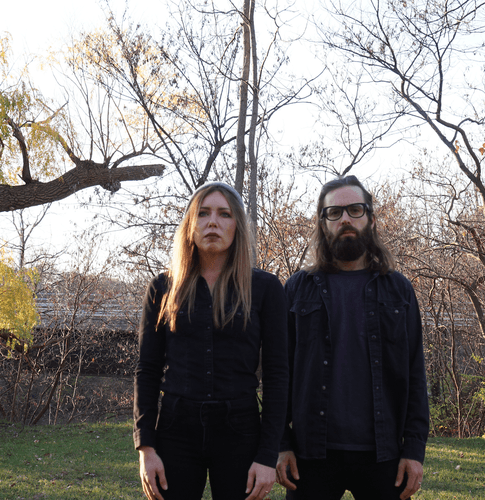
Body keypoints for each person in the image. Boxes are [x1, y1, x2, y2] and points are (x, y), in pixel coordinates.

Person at [276, 175, 429, 500]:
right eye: (335, 212)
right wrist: (281, 443)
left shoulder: (398, 289)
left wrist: (414, 450)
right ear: (323, 223)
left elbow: (416, 373)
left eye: (355, 210)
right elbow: (279, 373)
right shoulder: (297, 288)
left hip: (384, 454)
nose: (345, 218)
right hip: (310, 454)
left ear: (370, 219)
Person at [134, 182, 288, 500]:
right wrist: (146, 447)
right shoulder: (163, 288)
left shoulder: (265, 288)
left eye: (224, 214)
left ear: (237, 225)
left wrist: (267, 454)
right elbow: (147, 369)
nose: (213, 222)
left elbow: (277, 375)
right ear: (190, 225)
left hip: (240, 430)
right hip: (175, 429)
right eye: (203, 213)